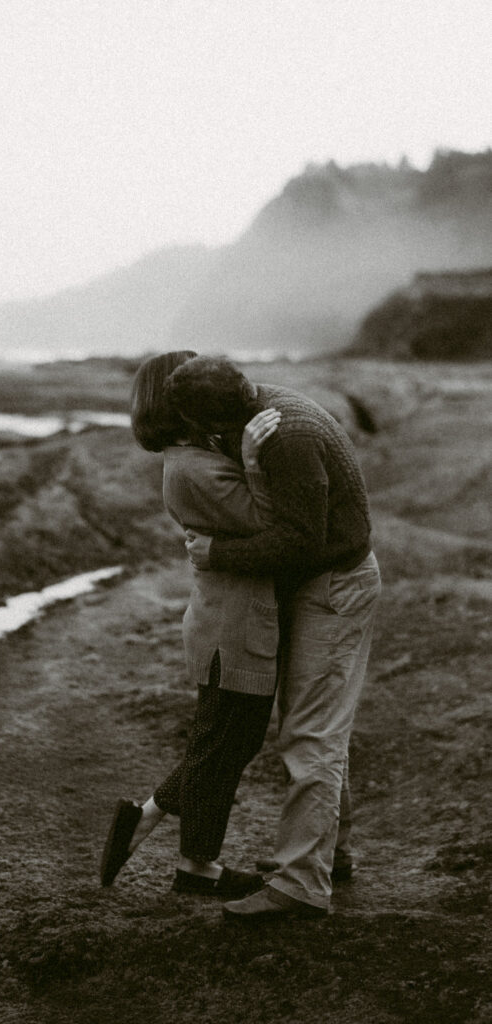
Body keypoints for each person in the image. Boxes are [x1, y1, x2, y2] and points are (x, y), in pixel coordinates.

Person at [165, 355, 381, 919]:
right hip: (324, 582)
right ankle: (329, 854)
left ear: (215, 420)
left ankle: (300, 887)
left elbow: (302, 540)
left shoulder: (286, 434)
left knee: (312, 736)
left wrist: (217, 554)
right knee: (315, 725)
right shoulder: (265, 409)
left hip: (333, 586)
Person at [99, 351, 283, 899]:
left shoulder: (193, 459)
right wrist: (252, 460)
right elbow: (269, 524)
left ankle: (161, 831)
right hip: (233, 629)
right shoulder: (193, 468)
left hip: (233, 622)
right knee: (220, 748)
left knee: (224, 745)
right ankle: (194, 865)